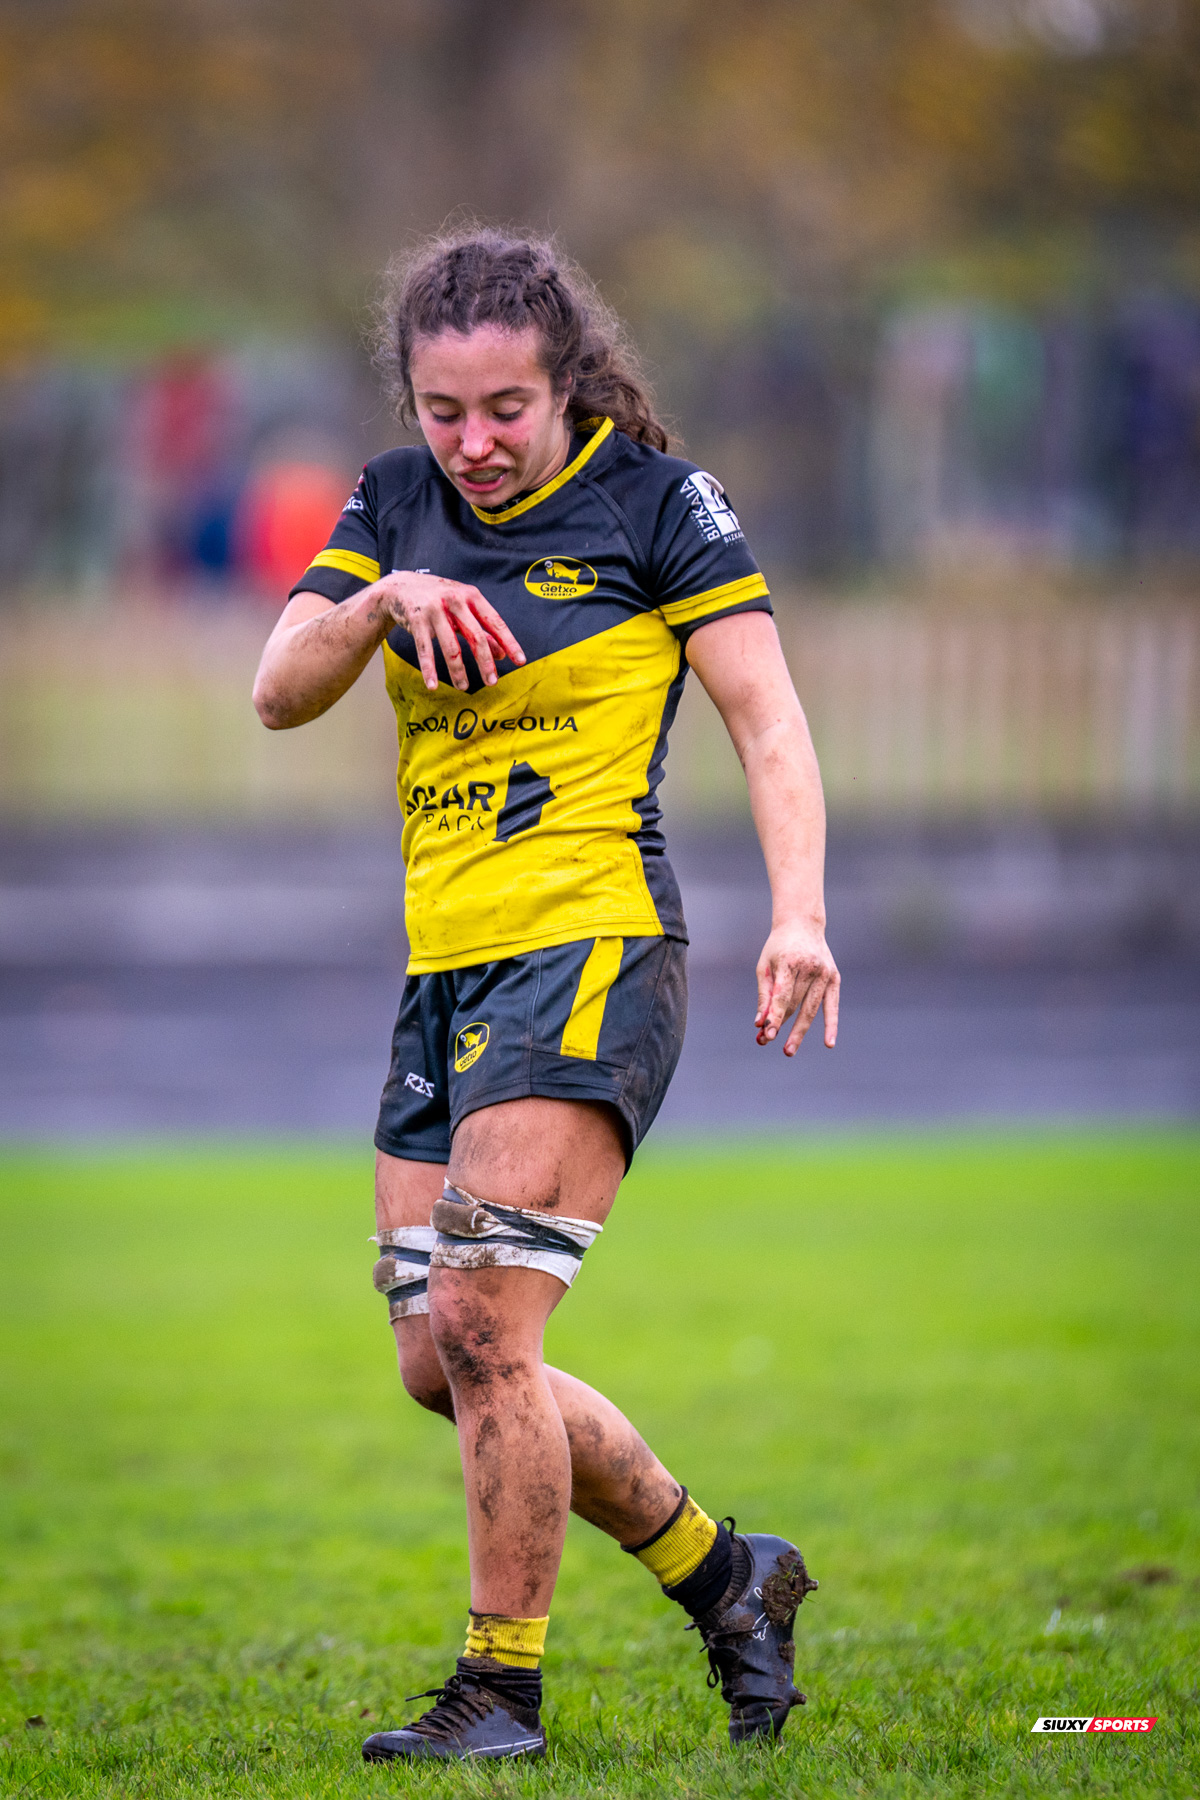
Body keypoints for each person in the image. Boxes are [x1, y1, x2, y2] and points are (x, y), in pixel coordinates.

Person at [252, 228, 839, 1764]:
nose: (476, 442)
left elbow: (769, 721)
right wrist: (381, 605)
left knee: (484, 1320)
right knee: (434, 1359)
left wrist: (803, 915)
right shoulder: (393, 503)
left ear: (566, 380)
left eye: (506, 407)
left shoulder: (660, 504)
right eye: (446, 410)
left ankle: (498, 1696)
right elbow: (277, 688)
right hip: (446, 973)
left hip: (593, 951)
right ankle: (729, 1574)